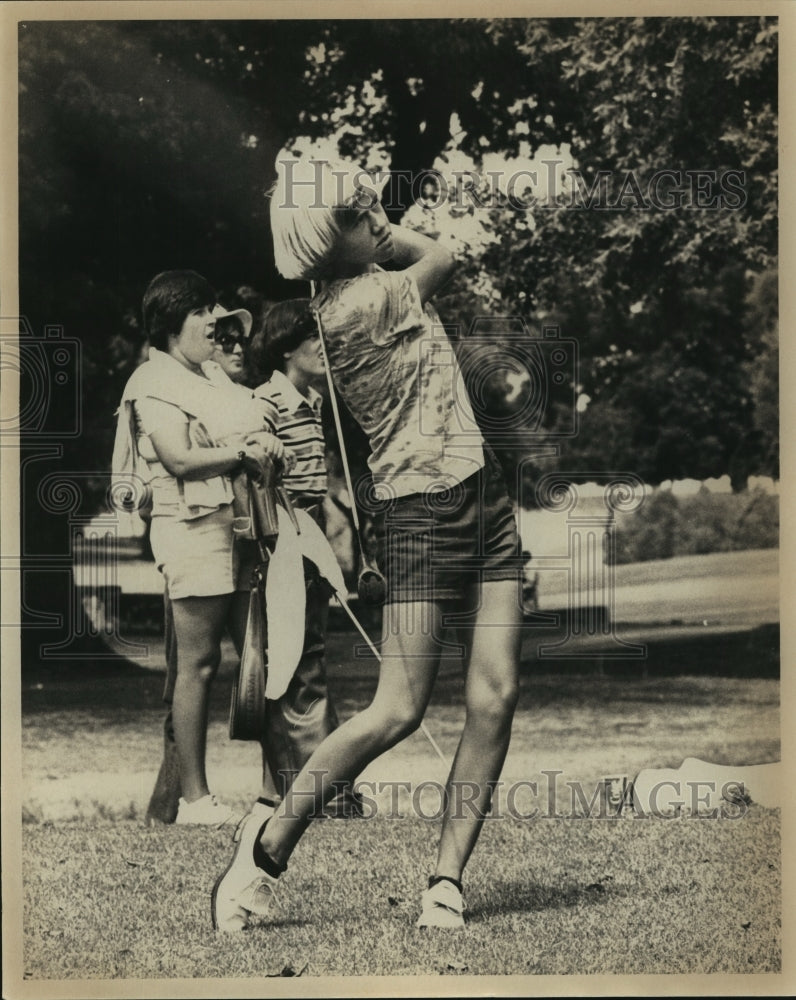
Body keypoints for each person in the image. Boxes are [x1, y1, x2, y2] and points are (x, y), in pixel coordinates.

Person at [211, 157, 523, 932]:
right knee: (398, 710)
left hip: (483, 497)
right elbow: (444, 253)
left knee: (496, 693)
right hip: (420, 514)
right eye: (356, 215)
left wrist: (365, 226)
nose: (375, 216)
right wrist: (385, 234)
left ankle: (445, 882)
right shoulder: (360, 305)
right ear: (326, 243)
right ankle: (262, 854)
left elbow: (410, 252)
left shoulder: (367, 286)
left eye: (369, 206)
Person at [112, 270, 286, 825]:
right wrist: (242, 452)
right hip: (189, 529)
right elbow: (179, 459)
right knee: (200, 664)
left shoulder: (210, 376)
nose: (214, 320)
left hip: (237, 524)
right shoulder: (152, 381)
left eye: (213, 307)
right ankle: (194, 800)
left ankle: (275, 790)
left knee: (260, 654)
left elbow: (256, 422)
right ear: (170, 325)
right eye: (200, 312)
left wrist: (255, 442)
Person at [247, 299, 363, 817]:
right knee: (296, 661)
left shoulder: (312, 399)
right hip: (284, 538)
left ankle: (311, 783)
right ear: (287, 346)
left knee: (310, 655)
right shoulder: (268, 399)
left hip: (310, 534)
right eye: (313, 336)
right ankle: (319, 788)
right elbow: (254, 457)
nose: (324, 346)